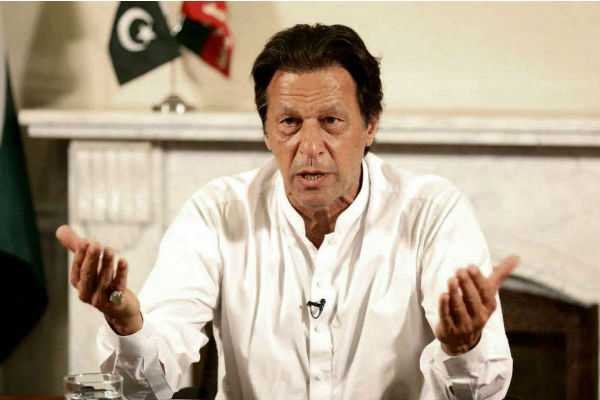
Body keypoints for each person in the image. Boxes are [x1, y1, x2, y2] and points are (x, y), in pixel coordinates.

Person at [56, 24, 517, 400]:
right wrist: (126, 323)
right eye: (290, 123)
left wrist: (464, 347)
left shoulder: (432, 212)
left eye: (331, 122)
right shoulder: (218, 213)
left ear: (370, 126)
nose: (310, 147)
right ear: (266, 132)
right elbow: (145, 388)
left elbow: (486, 393)